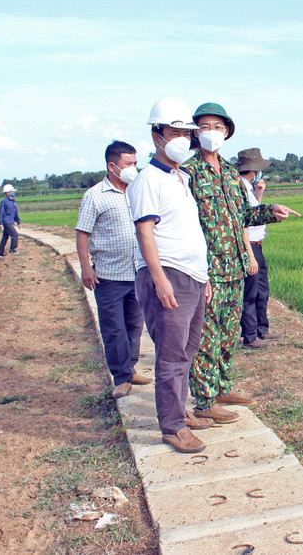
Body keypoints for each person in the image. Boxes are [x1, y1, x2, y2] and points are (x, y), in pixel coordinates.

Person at [182, 102, 301, 426]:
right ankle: (204, 400)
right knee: (206, 337)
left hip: (234, 268)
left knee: (227, 333)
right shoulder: (188, 173)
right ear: (195, 132)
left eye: (217, 127)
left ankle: (221, 388)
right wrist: (197, 271)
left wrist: (270, 210)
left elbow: (241, 217)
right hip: (206, 271)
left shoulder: (232, 175)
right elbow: (182, 224)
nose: (211, 133)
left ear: (227, 132)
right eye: (204, 127)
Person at [128, 96, 215, 454]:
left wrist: (205, 276)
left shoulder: (181, 177)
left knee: (188, 349)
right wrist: (159, 278)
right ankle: (172, 426)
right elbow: (145, 232)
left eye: (186, 133)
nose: (182, 139)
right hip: (169, 275)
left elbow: (188, 230)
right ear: (156, 136)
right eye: (174, 132)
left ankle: (181, 411)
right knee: (171, 353)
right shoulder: (148, 179)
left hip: (192, 275)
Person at [75, 140, 150, 400]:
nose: (133, 168)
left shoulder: (137, 191)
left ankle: (129, 369)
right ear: (112, 165)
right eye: (129, 164)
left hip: (137, 273)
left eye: (135, 163)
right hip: (109, 275)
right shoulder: (95, 196)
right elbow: (82, 234)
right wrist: (86, 268)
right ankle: (120, 377)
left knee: (134, 326)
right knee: (113, 328)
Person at [237, 148, 283, 349]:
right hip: (250, 248)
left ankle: (261, 330)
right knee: (251, 293)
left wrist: (259, 195)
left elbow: (253, 215)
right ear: (254, 169)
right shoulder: (238, 188)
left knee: (262, 291)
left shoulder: (249, 189)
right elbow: (242, 223)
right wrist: (249, 255)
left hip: (257, 246)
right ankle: (250, 336)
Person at [0, 184, 21, 257]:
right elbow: (1, 213)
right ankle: (12, 249)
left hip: (11, 221)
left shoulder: (13, 201)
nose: (13, 192)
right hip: (6, 222)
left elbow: (15, 213)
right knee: (15, 235)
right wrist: (0, 223)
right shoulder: (4, 202)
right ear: (7, 193)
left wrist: (18, 222)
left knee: (5, 237)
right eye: (11, 191)